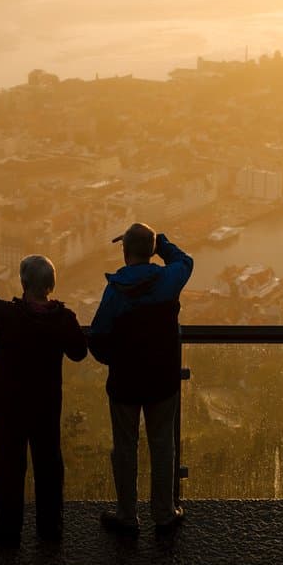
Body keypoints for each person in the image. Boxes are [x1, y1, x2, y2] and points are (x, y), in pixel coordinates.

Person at [0, 257, 87, 548]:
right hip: (45, 408)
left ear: (23, 284)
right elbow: (79, 352)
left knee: (8, 469)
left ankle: (8, 530)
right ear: (50, 285)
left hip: (8, 408)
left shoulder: (10, 316)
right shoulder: (63, 319)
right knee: (48, 467)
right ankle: (50, 528)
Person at [88, 223, 193, 537]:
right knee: (162, 446)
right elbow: (185, 261)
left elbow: (96, 338)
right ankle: (163, 513)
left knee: (125, 447)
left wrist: (117, 359)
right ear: (151, 250)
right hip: (162, 379)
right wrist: (161, 243)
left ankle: (127, 514)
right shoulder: (169, 280)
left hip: (125, 381)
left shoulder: (115, 291)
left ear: (124, 251)